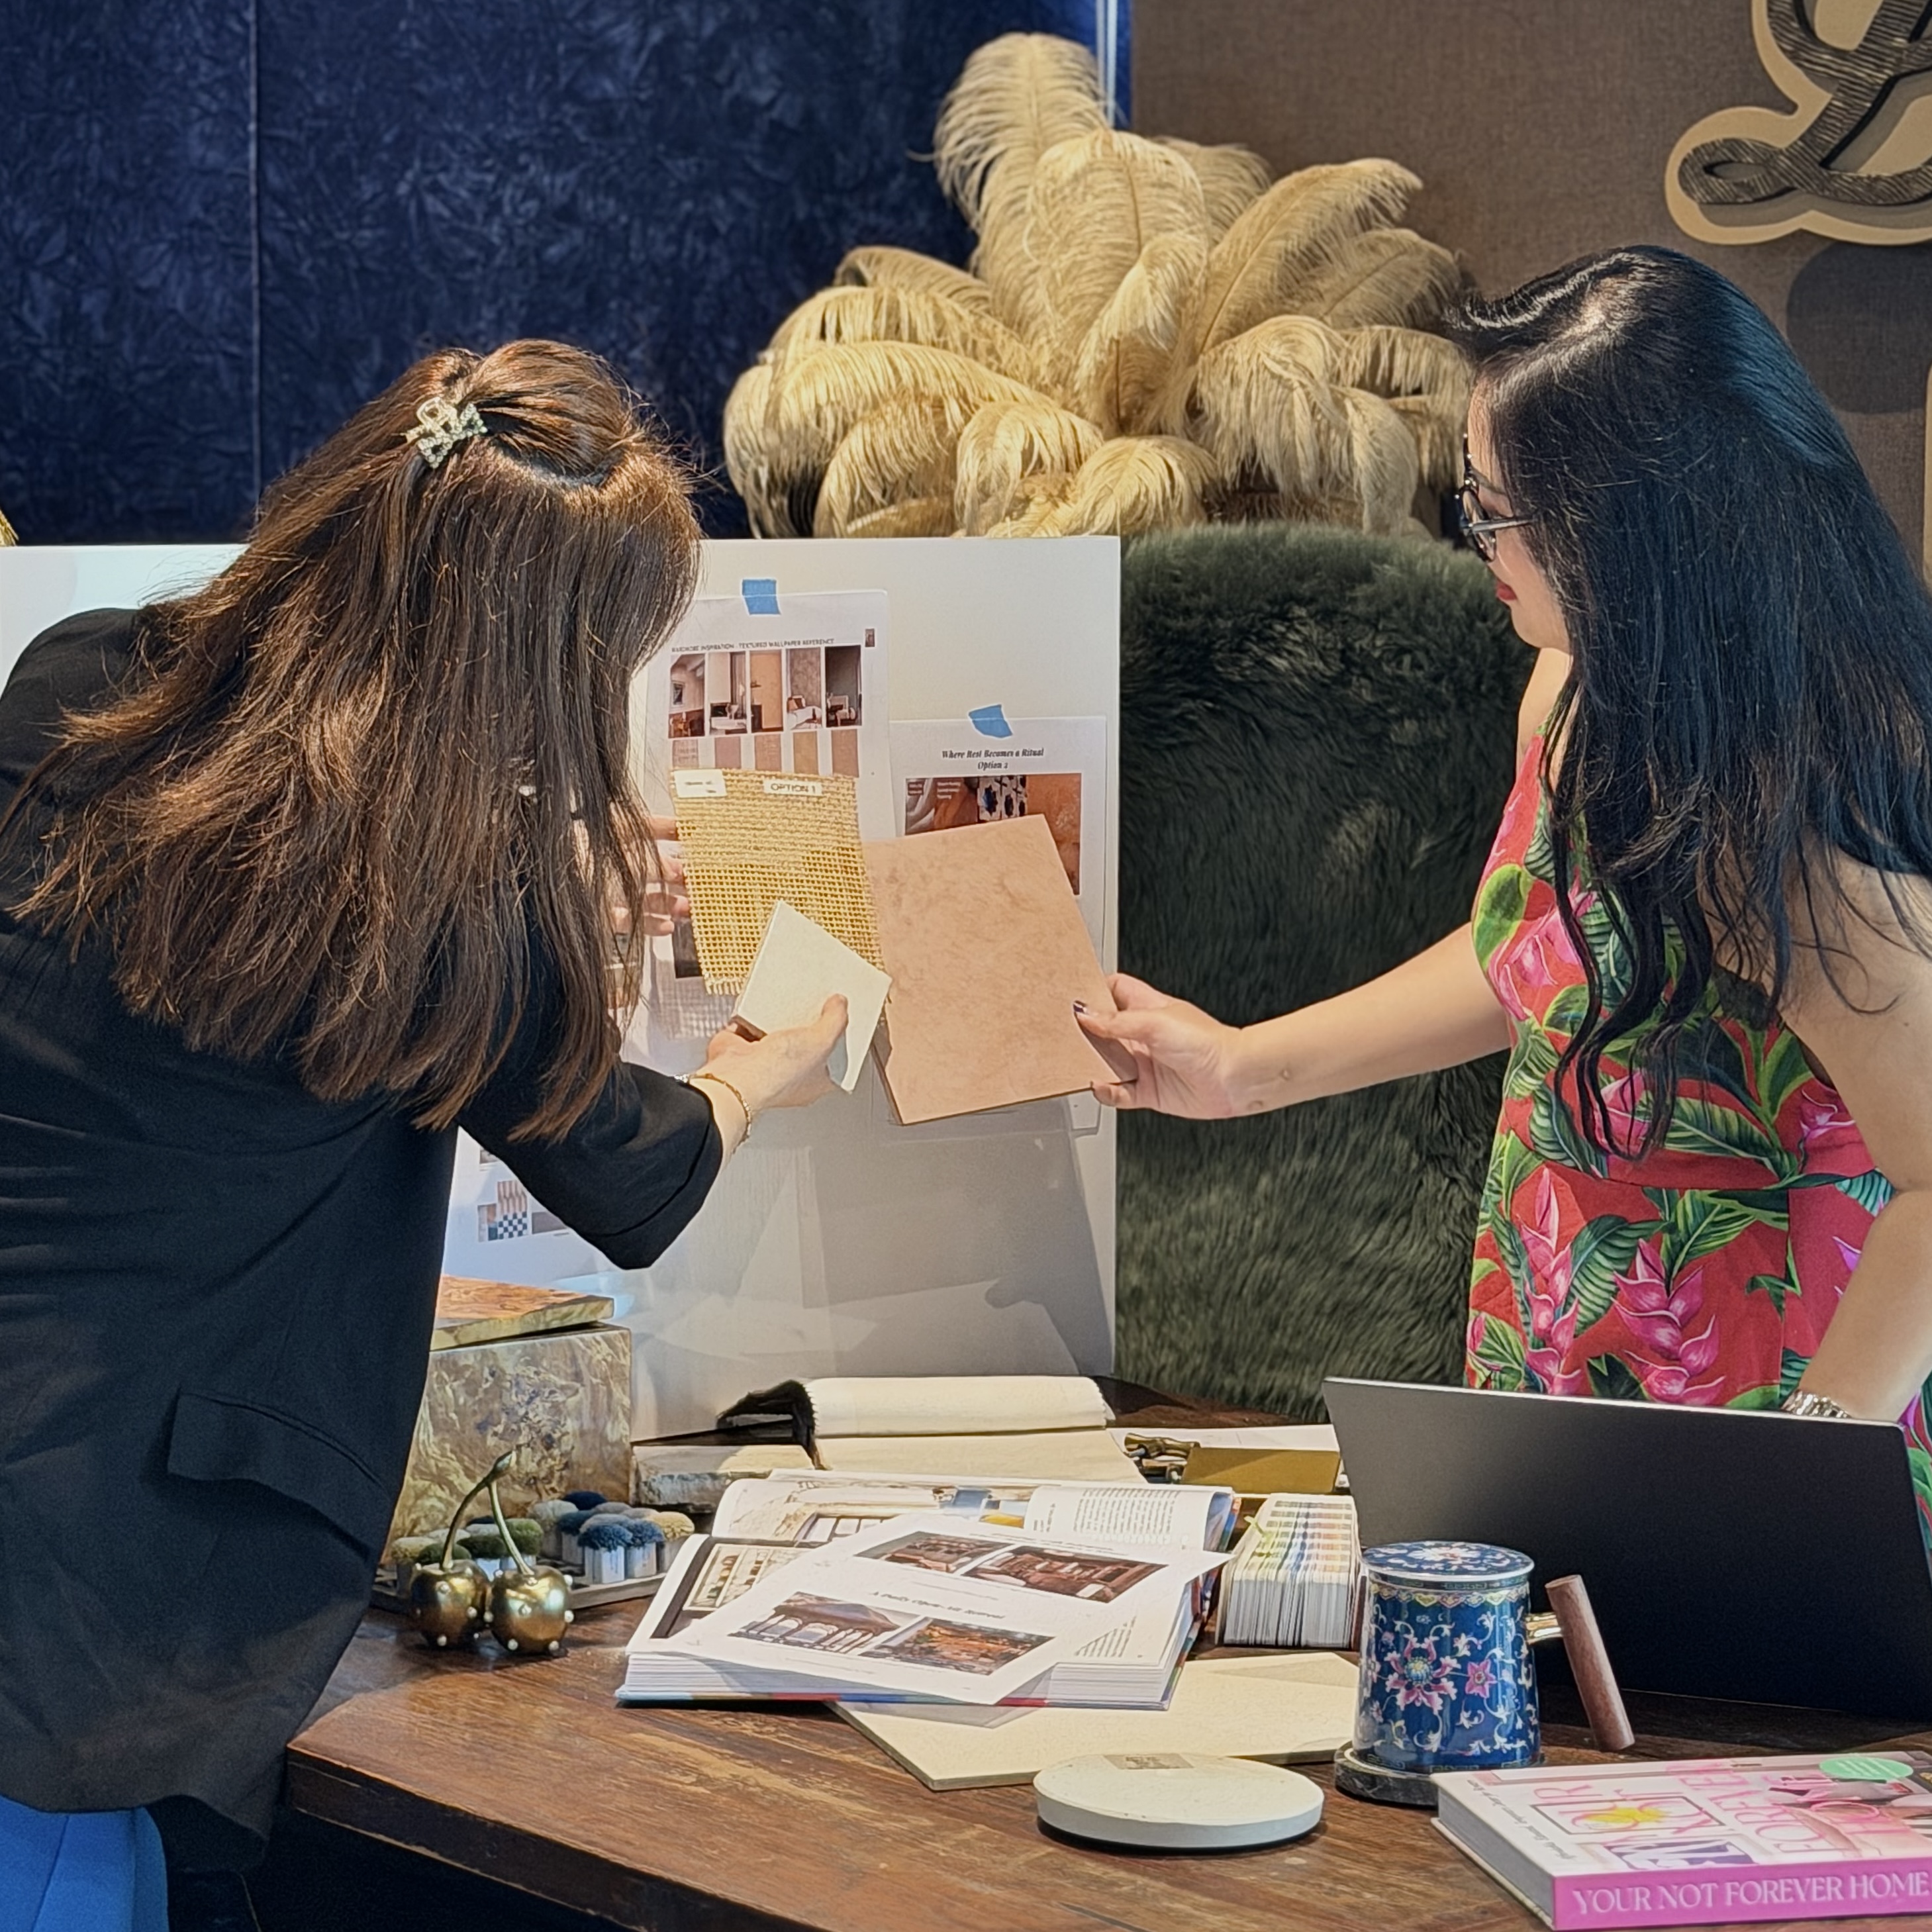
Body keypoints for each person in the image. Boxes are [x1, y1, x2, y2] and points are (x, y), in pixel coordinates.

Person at [0, 340, 846, 1922]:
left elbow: (246, 909)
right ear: (542, 665)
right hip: (80, 1629)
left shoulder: (79, 682)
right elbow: (636, 1172)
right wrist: (760, 1064)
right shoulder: (439, 909)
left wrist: (535, 868)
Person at [1080, 246, 1932, 1527]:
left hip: (1770, 1420)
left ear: (1629, 528)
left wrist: (1804, 1469)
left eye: (1494, 511)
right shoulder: (1572, 678)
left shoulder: (1784, 817)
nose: (1475, 539)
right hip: (1572, 1362)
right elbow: (1534, 948)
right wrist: (1244, 1068)